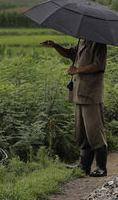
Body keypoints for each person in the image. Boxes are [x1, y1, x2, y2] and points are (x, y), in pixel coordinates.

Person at [40, 39, 108, 177]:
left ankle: (101, 167)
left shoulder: (99, 43)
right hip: (79, 93)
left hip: (91, 94)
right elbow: (70, 53)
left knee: (94, 130)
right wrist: (55, 45)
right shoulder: (83, 41)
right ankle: (84, 166)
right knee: (81, 131)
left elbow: (99, 65)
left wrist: (78, 70)